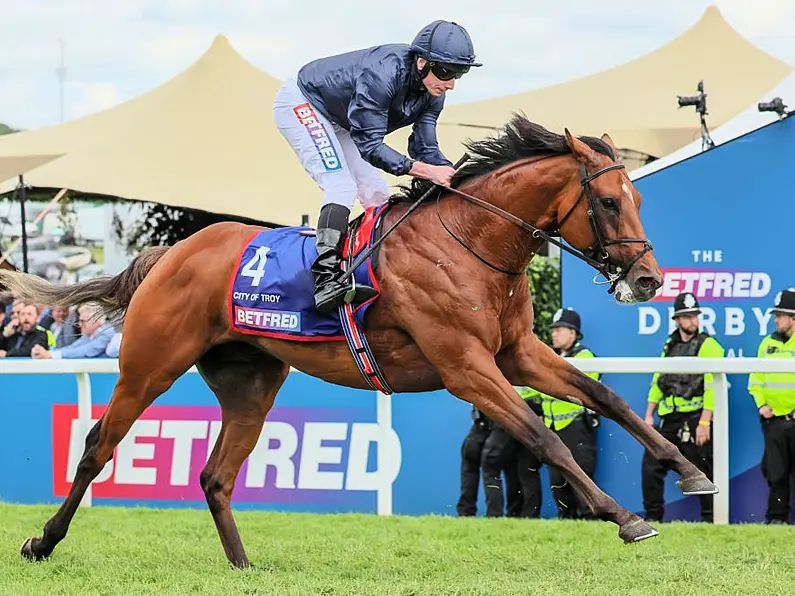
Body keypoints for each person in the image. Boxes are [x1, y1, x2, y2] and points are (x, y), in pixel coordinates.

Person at [273, 20, 481, 313]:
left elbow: (424, 148)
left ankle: (383, 272)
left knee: (378, 195)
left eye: (459, 73)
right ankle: (325, 280)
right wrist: (427, 172)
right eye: (445, 72)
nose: (450, 83)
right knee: (341, 185)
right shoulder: (383, 74)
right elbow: (371, 147)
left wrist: (452, 176)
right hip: (303, 103)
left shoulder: (433, 93)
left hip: (345, 119)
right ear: (421, 62)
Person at [641, 292, 725, 523]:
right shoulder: (670, 344)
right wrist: (649, 414)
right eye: (686, 317)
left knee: (703, 473)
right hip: (669, 420)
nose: (692, 321)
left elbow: (713, 387)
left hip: (696, 420)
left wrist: (705, 422)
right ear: (677, 319)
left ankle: (711, 522)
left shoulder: (709, 345)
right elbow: (659, 380)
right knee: (651, 466)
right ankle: (654, 519)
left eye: (695, 316)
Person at [524, 308, 601, 519]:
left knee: (582, 484)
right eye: (553, 329)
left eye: (559, 329)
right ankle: (566, 526)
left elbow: (575, 389)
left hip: (577, 430)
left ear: (573, 333)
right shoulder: (552, 356)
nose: (554, 334)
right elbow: (535, 388)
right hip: (553, 430)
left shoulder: (585, 356)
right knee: (558, 482)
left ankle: (591, 526)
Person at [748, 288, 795, 524]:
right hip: (774, 421)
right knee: (775, 473)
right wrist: (761, 405)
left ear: (793, 318)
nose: (776, 319)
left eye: (781, 315)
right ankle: (776, 520)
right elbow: (755, 380)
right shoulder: (767, 344)